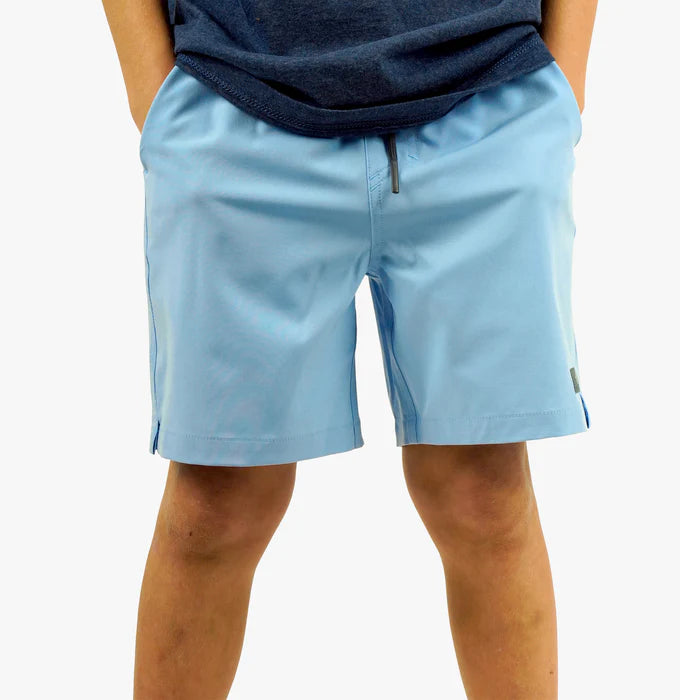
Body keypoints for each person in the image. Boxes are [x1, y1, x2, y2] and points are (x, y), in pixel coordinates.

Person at [103, 1, 597, 697]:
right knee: (217, 502)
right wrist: (150, 88)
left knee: (484, 493)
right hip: (236, 98)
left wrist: (565, 82)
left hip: (490, 98)